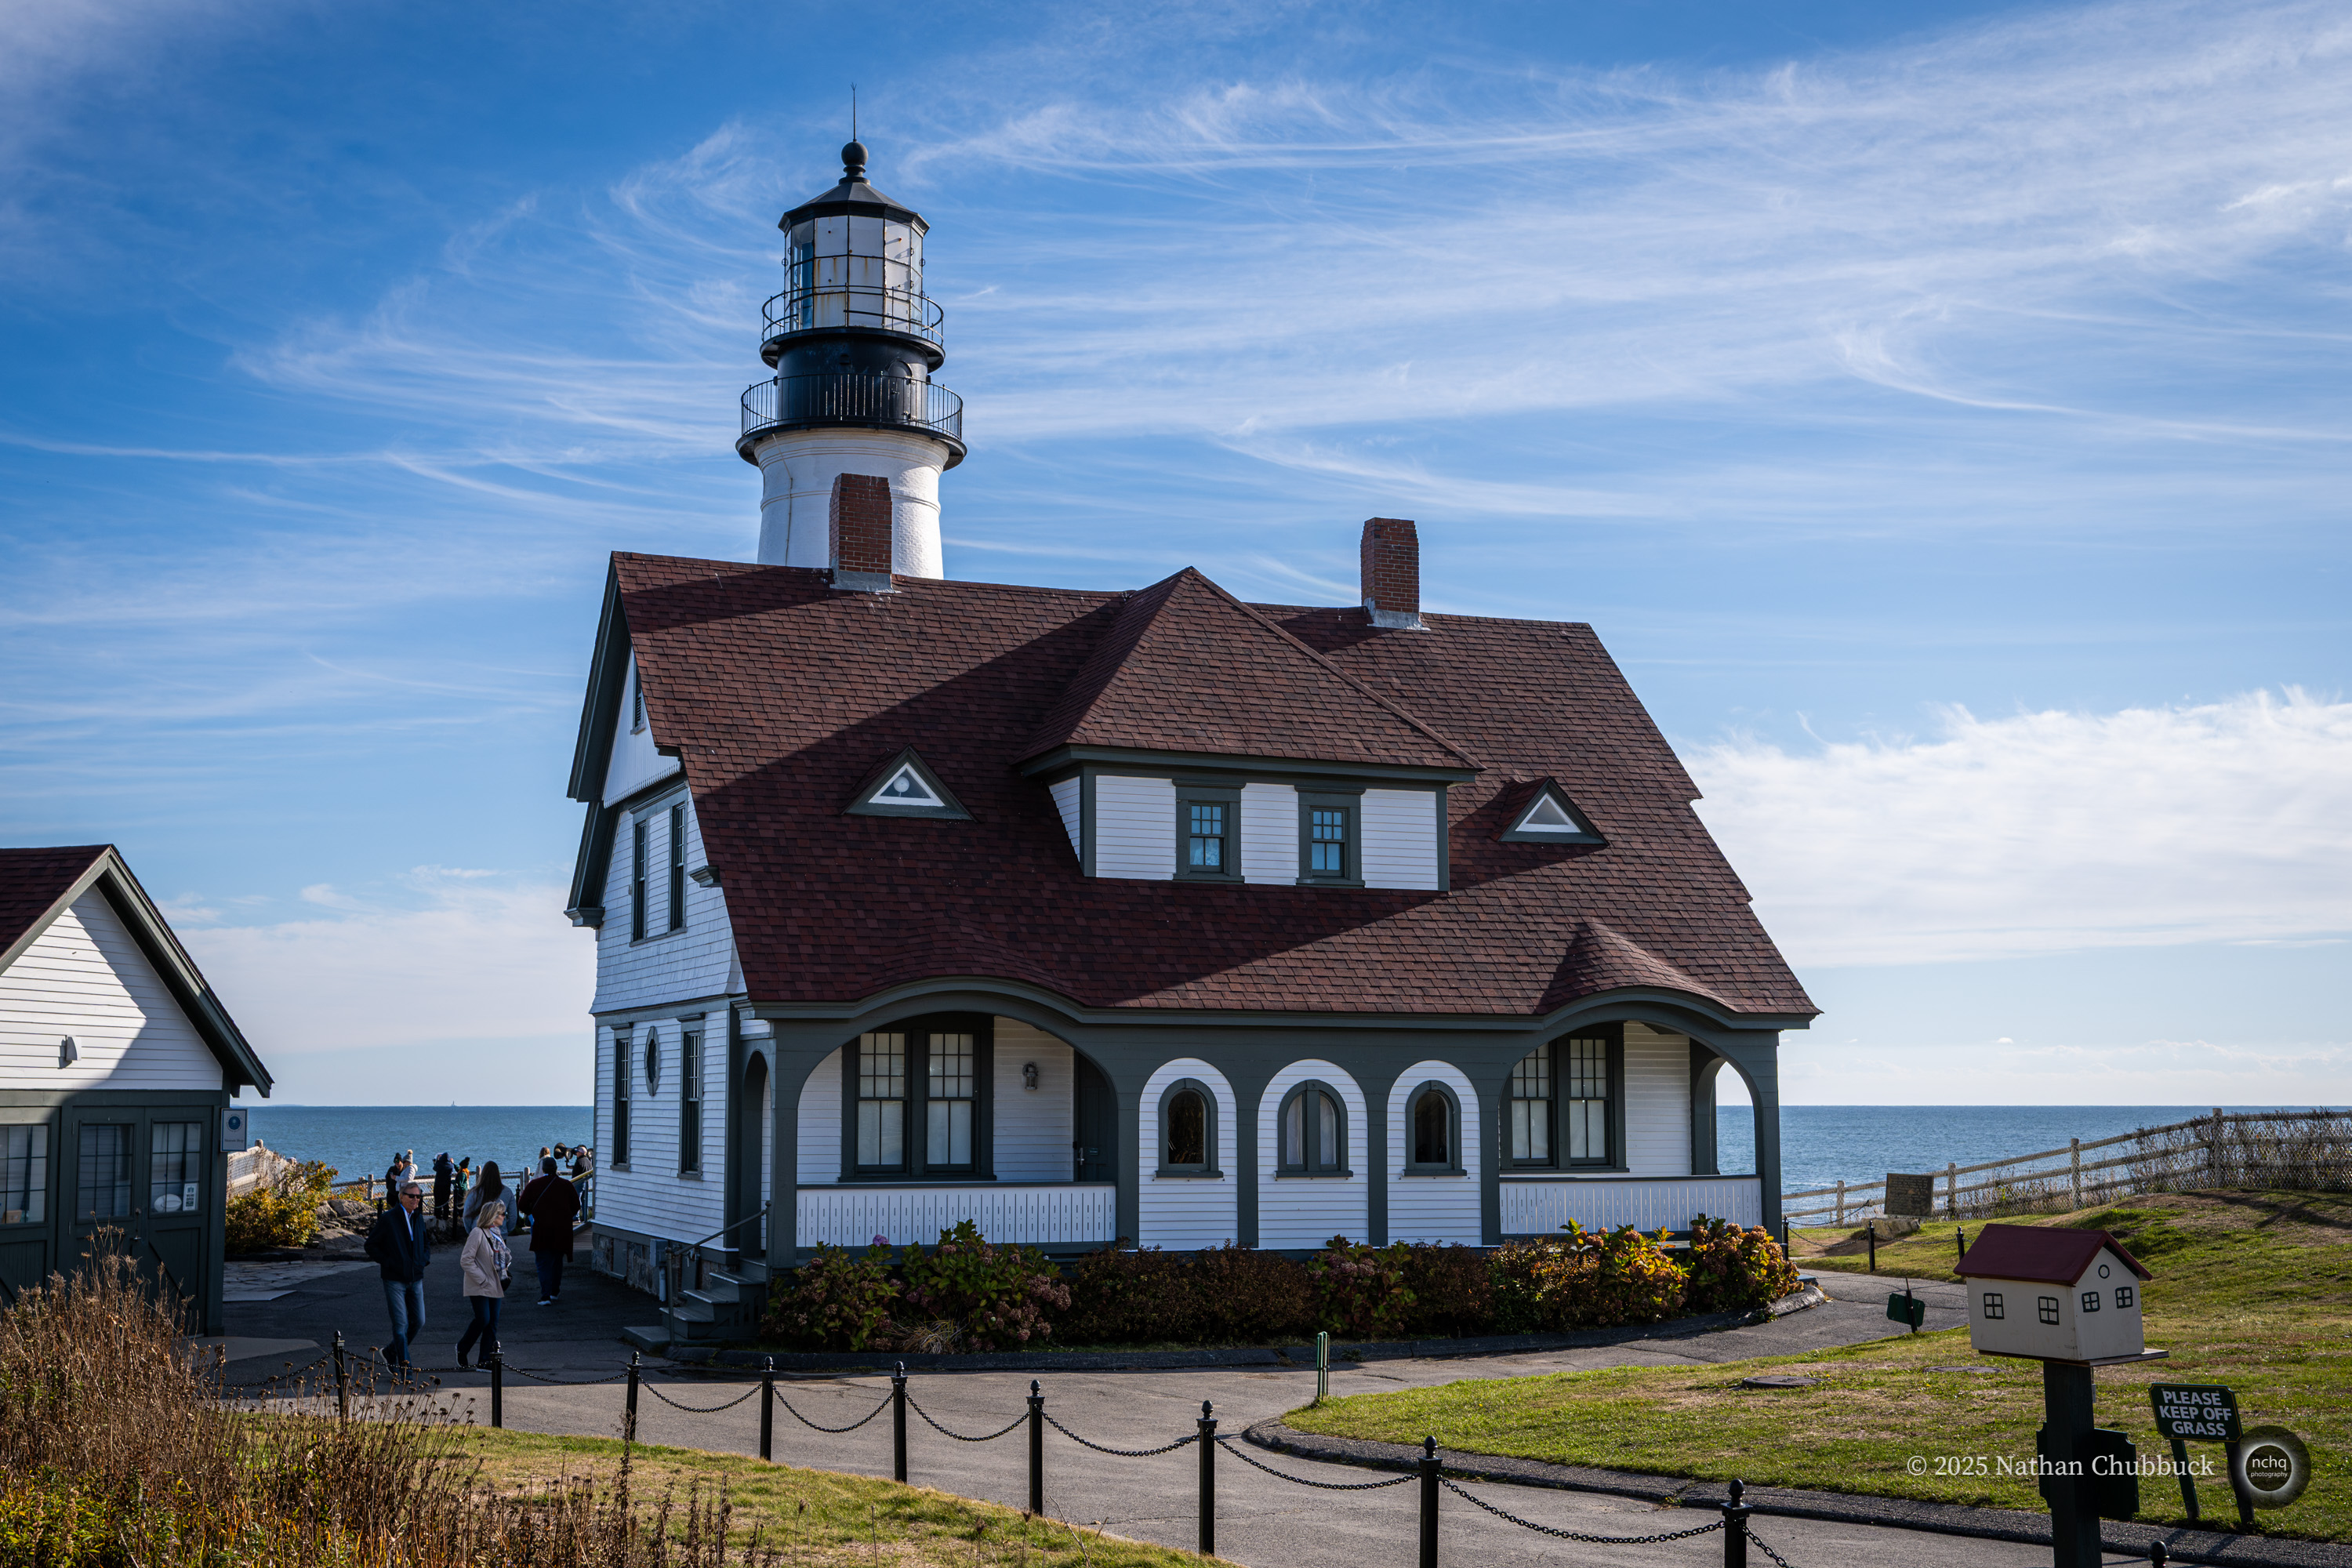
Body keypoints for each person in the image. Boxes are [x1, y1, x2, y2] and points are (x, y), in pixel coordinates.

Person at [364, 1181, 431, 1369]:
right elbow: (370, 1245)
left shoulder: (418, 1218)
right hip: (394, 1280)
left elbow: (425, 1243)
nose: (416, 1200)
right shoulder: (389, 1218)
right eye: (412, 1196)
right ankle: (405, 1370)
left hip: (416, 1278)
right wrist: (389, 1262)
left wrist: (423, 1260)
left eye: (419, 1196)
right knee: (400, 1326)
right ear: (402, 1196)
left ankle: (390, 1352)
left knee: (418, 1321)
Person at [517, 1156, 580, 1305]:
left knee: (543, 1262)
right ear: (556, 1169)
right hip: (561, 1230)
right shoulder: (566, 1185)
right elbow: (576, 1205)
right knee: (557, 1261)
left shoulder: (534, 1185)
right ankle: (554, 1292)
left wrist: (532, 1213)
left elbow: (522, 1205)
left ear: (543, 1169)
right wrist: (566, 1216)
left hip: (542, 1229)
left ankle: (545, 1295)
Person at [455, 1200, 510, 1369]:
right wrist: (483, 1279)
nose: (504, 1216)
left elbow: (501, 1258)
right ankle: (462, 1348)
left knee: (492, 1322)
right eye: (502, 1214)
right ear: (493, 1216)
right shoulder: (477, 1233)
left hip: (496, 1284)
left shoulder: (496, 1234)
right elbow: (466, 1260)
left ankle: (485, 1360)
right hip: (480, 1285)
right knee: (483, 1319)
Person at [463, 1160, 506, 1232]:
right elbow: (512, 1215)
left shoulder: (474, 1192)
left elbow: (467, 1214)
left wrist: (470, 1231)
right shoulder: (505, 1191)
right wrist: (506, 1230)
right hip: (498, 1231)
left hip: (478, 1230)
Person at [431, 1152, 455, 1222]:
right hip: (446, 1187)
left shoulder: (439, 1164)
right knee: (446, 1203)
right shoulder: (450, 1166)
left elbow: (434, 1168)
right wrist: (452, 1162)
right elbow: (453, 1167)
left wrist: (438, 1160)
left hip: (438, 1186)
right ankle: (445, 1217)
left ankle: (437, 1217)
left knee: (437, 1202)